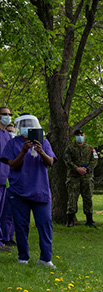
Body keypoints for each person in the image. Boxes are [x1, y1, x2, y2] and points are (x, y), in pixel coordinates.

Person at [0, 114, 57, 267]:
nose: (27, 128)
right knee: (20, 225)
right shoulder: (13, 143)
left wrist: (41, 152)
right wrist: (23, 152)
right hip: (19, 190)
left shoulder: (44, 142)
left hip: (40, 190)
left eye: (30, 125)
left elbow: (50, 162)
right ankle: (23, 257)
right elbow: (12, 165)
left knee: (45, 224)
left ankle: (46, 258)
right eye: (24, 125)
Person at [64, 128, 98, 227]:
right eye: (78, 135)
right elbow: (67, 160)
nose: (80, 137)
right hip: (73, 177)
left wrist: (87, 169)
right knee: (72, 198)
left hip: (87, 177)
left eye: (82, 135)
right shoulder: (70, 148)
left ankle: (89, 219)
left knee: (88, 198)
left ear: (84, 136)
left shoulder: (90, 148)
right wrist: (76, 168)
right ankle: (70, 220)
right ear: (75, 137)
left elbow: (95, 160)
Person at [0, 106, 15, 250]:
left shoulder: (7, 135)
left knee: (5, 211)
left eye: (9, 114)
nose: (8, 116)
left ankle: (4, 238)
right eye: (5, 114)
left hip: (6, 178)